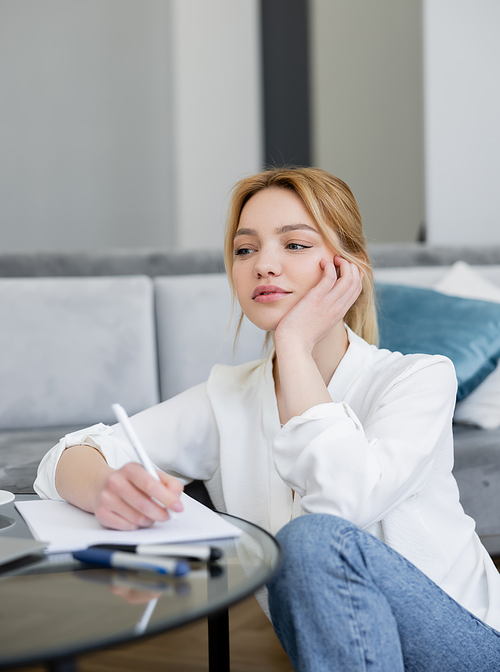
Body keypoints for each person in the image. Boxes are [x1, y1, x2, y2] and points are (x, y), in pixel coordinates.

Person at [35, 167, 500, 671]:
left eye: (295, 245)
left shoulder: (418, 378)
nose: (263, 265)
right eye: (245, 249)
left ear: (347, 269)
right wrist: (106, 484)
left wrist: (295, 346)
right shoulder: (227, 399)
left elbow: (341, 506)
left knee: (311, 540)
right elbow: (64, 457)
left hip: (469, 642)